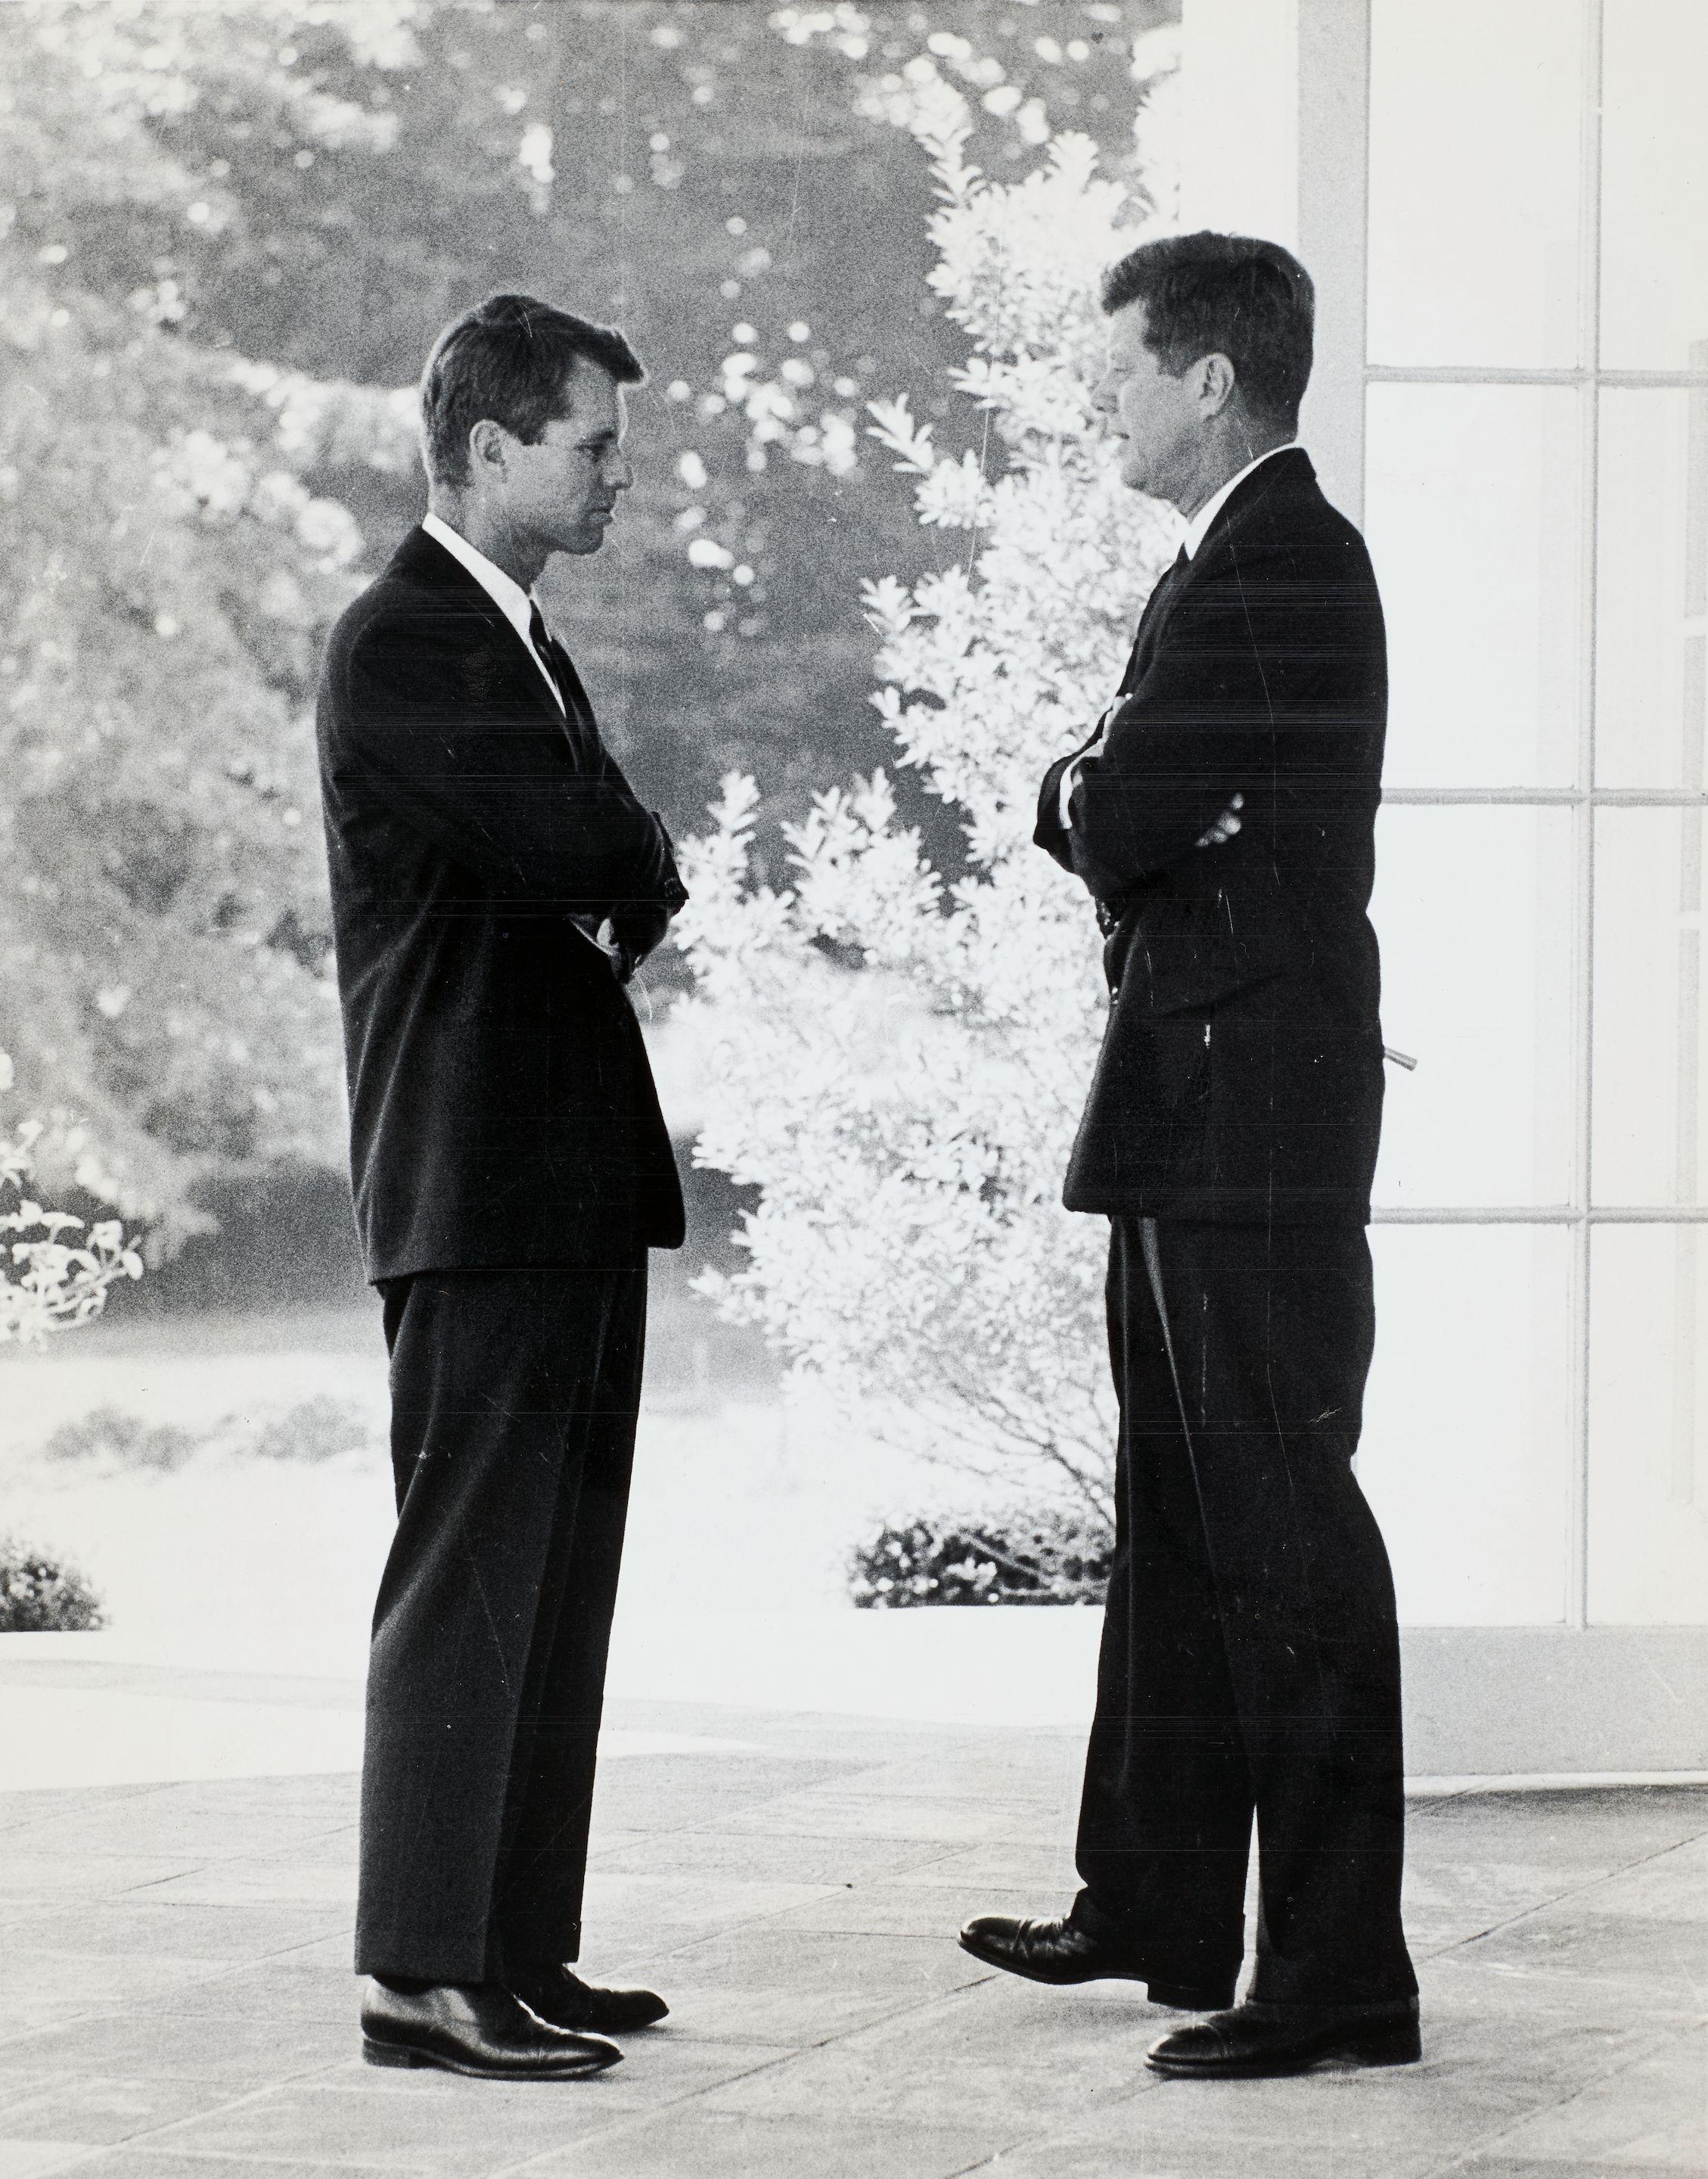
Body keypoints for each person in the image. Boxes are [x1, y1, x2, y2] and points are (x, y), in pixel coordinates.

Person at [958, 232, 1420, 2079]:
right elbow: (1115, 799)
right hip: (1197, 1099)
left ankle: (1335, 1977)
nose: (1102, 401)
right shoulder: (1226, 563)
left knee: (1281, 1538)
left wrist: (1106, 789)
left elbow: (1119, 803)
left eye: (1119, 370)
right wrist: (1107, 790)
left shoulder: (1281, 562)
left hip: (1253, 1116)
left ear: (1210, 377)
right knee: (1175, 1514)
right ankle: (1155, 1902)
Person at [316, 292, 688, 2080]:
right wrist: (622, 848)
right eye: (591, 443)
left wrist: (618, 851)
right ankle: (422, 1972)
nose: (619, 472)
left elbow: (608, 851)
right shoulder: (400, 642)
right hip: (474, 1184)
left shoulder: (520, 644)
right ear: (487, 447)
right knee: (470, 1576)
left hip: (556, 1181)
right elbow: (592, 841)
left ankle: (516, 1951)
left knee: (554, 1578)